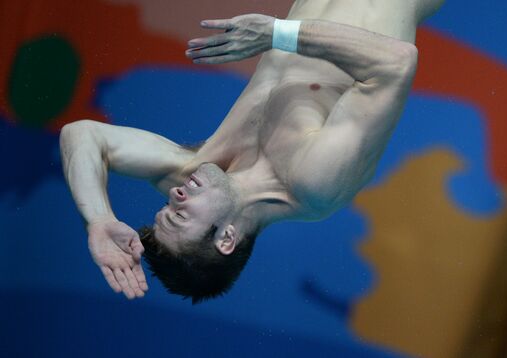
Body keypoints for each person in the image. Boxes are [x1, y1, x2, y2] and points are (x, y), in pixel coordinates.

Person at [60, 0, 445, 303]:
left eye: (165, 207)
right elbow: (396, 62)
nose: (174, 195)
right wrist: (279, 33)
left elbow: (82, 135)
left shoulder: (201, 167)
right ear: (226, 238)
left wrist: (97, 218)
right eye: (178, 216)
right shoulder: (312, 184)